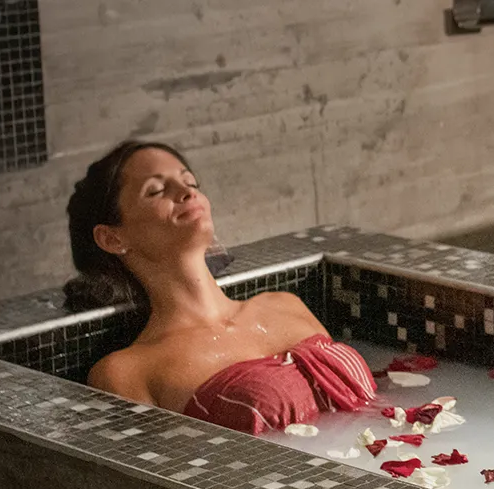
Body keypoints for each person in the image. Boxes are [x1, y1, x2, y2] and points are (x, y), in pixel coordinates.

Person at [65, 140, 379, 433]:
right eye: (156, 191)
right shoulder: (129, 372)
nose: (186, 193)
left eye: (190, 183)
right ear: (112, 238)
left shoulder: (285, 305)